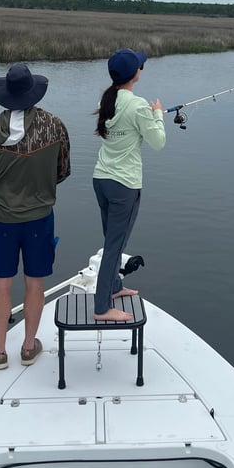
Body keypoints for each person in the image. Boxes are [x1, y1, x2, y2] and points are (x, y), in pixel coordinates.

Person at [0, 63, 70, 368]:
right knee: (35, 283)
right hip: (40, 216)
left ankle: (0, 350)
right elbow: (63, 171)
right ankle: (29, 348)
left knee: (1, 285)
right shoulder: (55, 126)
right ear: (34, 92)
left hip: (2, 218)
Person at [92, 48, 166, 322]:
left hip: (101, 180)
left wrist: (148, 114)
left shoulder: (108, 98)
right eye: (141, 66)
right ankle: (102, 308)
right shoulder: (138, 105)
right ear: (135, 74)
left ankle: (114, 287)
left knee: (113, 241)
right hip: (124, 185)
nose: (142, 69)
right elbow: (158, 142)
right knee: (115, 246)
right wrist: (157, 114)